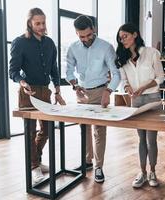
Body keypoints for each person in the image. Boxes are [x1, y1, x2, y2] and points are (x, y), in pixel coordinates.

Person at [9, 8, 66, 183]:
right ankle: (34, 166)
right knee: (30, 131)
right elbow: (13, 71)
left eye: (43, 22)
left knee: (47, 129)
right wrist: (22, 82)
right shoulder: (20, 42)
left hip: (45, 92)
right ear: (30, 23)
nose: (42, 26)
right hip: (28, 92)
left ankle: (33, 161)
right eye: (37, 23)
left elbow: (54, 69)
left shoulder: (50, 43)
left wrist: (57, 90)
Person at [65, 15, 120, 183]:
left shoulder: (106, 47)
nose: (86, 39)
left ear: (93, 29)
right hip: (82, 92)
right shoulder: (73, 48)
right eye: (81, 36)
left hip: (100, 91)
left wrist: (109, 91)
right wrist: (75, 86)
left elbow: (116, 74)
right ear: (76, 33)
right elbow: (68, 71)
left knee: (98, 131)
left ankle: (99, 167)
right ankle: (87, 162)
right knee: (84, 129)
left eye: (88, 35)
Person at [115, 23, 165, 188]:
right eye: (121, 38)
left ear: (135, 34)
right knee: (141, 139)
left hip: (152, 99)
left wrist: (143, 87)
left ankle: (152, 172)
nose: (123, 41)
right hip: (136, 101)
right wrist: (128, 88)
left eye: (126, 36)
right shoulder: (122, 58)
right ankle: (142, 172)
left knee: (152, 139)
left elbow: (160, 78)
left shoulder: (151, 53)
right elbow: (124, 81)